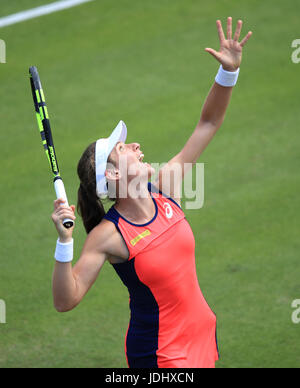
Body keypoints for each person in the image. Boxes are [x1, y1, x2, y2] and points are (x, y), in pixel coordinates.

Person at [51, 17, 252, 368]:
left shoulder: (166, 189)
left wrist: (228, 73)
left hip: (203, 337)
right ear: (112, 174)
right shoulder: (108, 236)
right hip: (161, 355)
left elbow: (208, 124)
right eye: (123, 148)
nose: (136, 145)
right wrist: (64, 243)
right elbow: (66, 300)